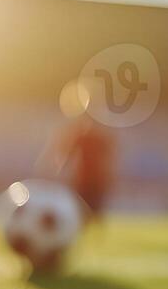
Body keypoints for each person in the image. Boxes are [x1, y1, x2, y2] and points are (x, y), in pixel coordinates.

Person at [39, 79, 117, 220]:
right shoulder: (79, 134)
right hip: (82, 179)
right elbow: (65, 153)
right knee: (81, 209)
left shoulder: (101, 136)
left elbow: (109, 156)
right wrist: (57, 168)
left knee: (95, 210)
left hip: (97, 180)